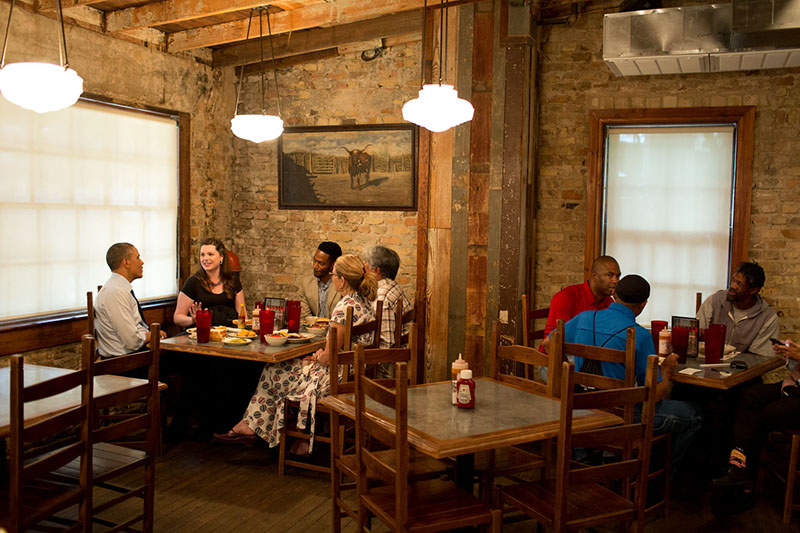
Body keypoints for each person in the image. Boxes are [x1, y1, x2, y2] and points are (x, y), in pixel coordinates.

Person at [213, 254, 377, 453]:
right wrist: (319, 355)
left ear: (342, 281)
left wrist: (316, 357)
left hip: (336, 378)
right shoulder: (365, 303)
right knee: (285, 368)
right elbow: (337, 350)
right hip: (355, 373)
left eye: (334, 274)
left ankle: (259, 428)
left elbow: (327, 358)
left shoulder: (343, 308)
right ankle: (274, 429)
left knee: (273, 370)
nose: (332, 277)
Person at [563, 274, 702, 469]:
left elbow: (550, 343)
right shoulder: (639, 335)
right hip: (620, 418)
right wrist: (667, 370)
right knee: (693, 414)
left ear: (613, 294)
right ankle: (660, 481)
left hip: (579, 410)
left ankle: (586, 463)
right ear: (643, 304)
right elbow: (656, 395)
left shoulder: (584, 317)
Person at [711, 339, 800, 513]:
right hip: (793, 386)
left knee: (765, 414)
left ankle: (743, 480)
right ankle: (738, 469)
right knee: (749, 396)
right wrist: (792, 355)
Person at [95, 242, 166, 359]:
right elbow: (132, 341)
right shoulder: (115, 292)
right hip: (125, 363)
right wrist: (153, 335)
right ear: (126, 262)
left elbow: (136, 327)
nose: (142, 262)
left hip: (136, 355)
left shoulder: (121, 288)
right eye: (137, 257)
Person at [696, 261, 778, 357]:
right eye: (733, 280)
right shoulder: (714, 301)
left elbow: (759, 358)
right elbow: (697, 336)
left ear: (753, 290)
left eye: (739, 284)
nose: (732, 286)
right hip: (708, 361)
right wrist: (699, 335)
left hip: (743, 368)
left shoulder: (768, 318)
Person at [541, 255, 620, 349]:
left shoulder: (610, 302)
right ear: (594, 276)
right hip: (555, 358)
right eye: (609, 275)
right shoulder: (566, 297)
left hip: (590, 357)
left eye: (618, 276)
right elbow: (552, 342)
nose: (616, 281)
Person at [174, 238, 245, 327]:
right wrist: (193, 319)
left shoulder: (233, 280)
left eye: (210, 254)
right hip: (201, 333)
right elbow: (177, 317)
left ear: (221, 257)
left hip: (230, 334)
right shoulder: (193, 283)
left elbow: (243, 315)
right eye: (202, 255)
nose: (205, 259)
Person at [364, 245, 412, 349]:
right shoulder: (392, 286)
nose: (364, 268)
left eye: (366, 263)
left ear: (376, 271)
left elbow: (386, 344)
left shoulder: (382, 297)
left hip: (393, 359)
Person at [298, 241, 343, 320]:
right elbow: (304, 317)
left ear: (333, 264)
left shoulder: (342, 284)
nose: (315, 266)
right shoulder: (306, 284)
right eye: (315, 261)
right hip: (311, 330)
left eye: (321, 263)